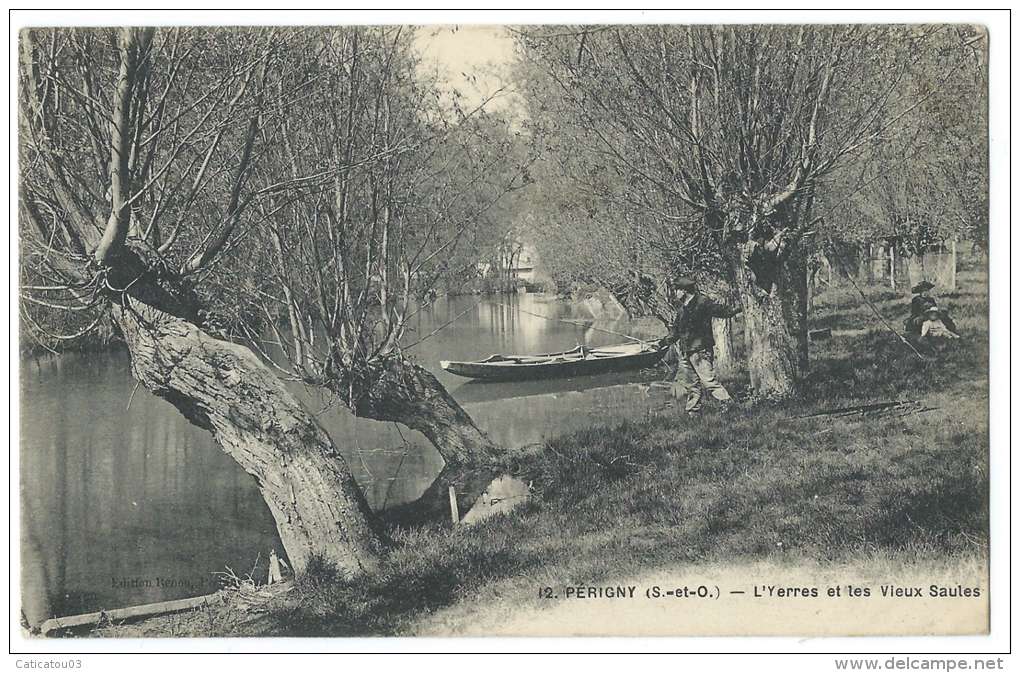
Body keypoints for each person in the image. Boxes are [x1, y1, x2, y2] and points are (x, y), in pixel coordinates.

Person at [662, 277, 741, 414]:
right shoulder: (682, 308)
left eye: (677, 290)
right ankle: (693, 412)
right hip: (686, 351)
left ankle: (729, 404)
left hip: (700, 350)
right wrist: (663, 342)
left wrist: (740, 308)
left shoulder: (702, 302)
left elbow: (721, 311)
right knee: (691, 384)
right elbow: (676, 330)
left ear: (684, 290)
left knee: (709, 381)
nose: (675, 294)